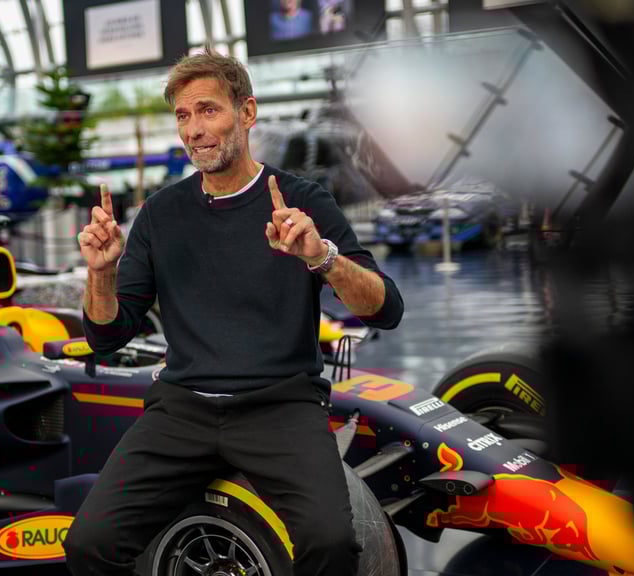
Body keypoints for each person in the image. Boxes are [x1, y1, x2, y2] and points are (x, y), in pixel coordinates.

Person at [63, 48, 404, 576]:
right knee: (89, 543)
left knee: (331, 543)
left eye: (208, 110)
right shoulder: (160, 214)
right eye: (183, 115)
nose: (194, 129)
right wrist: (102, 272)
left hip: (281, 406)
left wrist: (323, 257)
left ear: (247, 112)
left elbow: (385, 308)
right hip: (183, 410)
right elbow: (108, 336)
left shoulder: (301, 201)